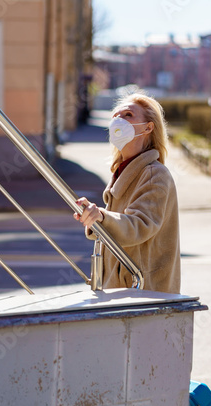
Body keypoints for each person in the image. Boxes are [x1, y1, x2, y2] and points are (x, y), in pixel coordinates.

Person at [73, 91, 180, 294]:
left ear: (148, 127)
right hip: (124, 291)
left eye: (128, 115)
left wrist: (102, 217)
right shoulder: (124, 170)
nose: (118, 120)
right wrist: (93, 218)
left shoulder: (154, 174)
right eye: (115, 115)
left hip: (145, 293)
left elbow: (139, 225)